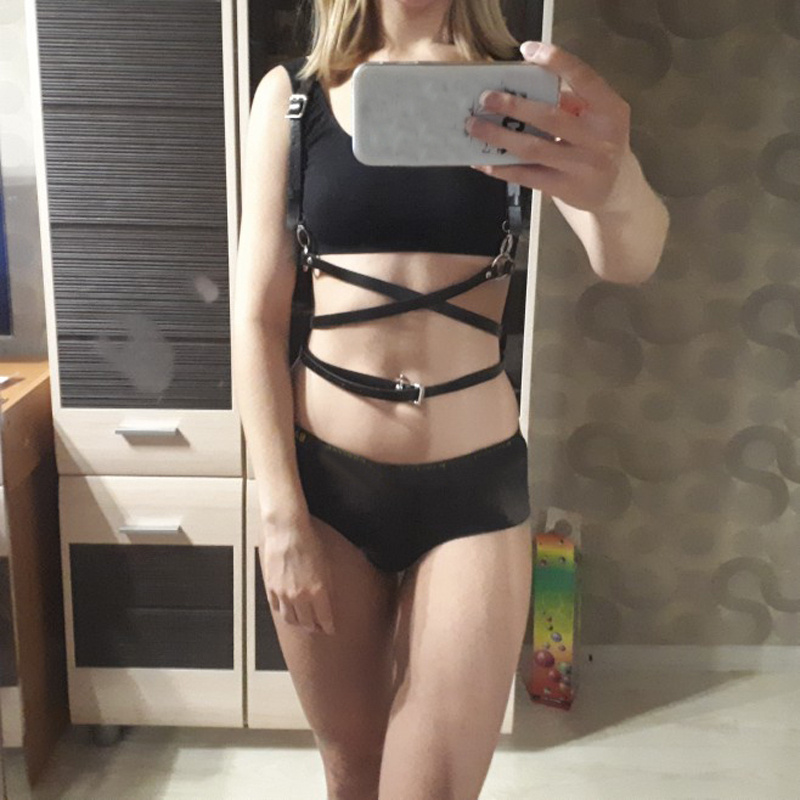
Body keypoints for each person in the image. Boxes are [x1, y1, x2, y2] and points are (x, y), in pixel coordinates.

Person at [233, 1, 669, 799]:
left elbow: (630, 258)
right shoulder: (291, 97)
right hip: (325, 492)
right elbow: (256, 320)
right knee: (352, 773)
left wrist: (618, 187)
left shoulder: (522, 94)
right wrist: (279, 513)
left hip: (473, 492)